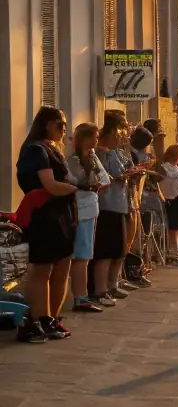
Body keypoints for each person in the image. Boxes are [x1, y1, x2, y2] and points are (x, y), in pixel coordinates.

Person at [14, 107, 79, 341]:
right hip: (44, 216)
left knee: (62, 268)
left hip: (63, 214)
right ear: (47, 124)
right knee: (42, 270)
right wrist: (75, 188)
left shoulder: (53, 149)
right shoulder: (35, 149)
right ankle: (39, 318)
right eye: (60, 125)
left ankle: (52, 318)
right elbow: (50, 185)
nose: (64, 129)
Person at [67, 123, 111, 312]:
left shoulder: (92, 157)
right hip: (80, 209)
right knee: (81, 255)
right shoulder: (72, 158)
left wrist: (94, 183)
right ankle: (80, 296)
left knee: (85, 254)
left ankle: (80, 294)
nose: (96, 140)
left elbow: (104, 179)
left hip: (90, 207)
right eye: (94, 137)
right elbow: (77, 181)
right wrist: (91, 183)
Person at [91, 120, 132, 308]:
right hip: (106, 206)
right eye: (116, 134)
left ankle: (112, 285)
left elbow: (123, 170)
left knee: (118, 249)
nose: (119, 137)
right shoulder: (100, 154)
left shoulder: (118, 153)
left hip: (120, 204)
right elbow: (110, 174)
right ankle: (100, 290)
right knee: (105, 251)